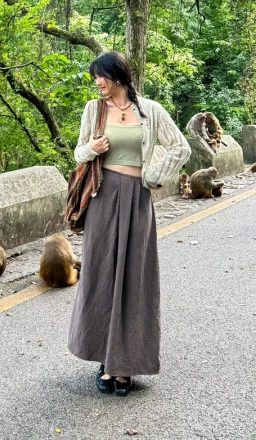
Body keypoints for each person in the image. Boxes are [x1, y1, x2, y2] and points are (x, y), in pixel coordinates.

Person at [67, 51, 189, 396]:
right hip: (103, 200)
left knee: (135, 279)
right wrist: (91, 148)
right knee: (102, 278)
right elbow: (78, 154)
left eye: (101, 77)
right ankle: (107, 361)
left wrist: (153, 176)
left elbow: (179, 147)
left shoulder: (149, 110)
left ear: (118, 75)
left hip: (137, 199)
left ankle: (126, 365)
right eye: (95, 78)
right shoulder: (94, 111)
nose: (98, 83)